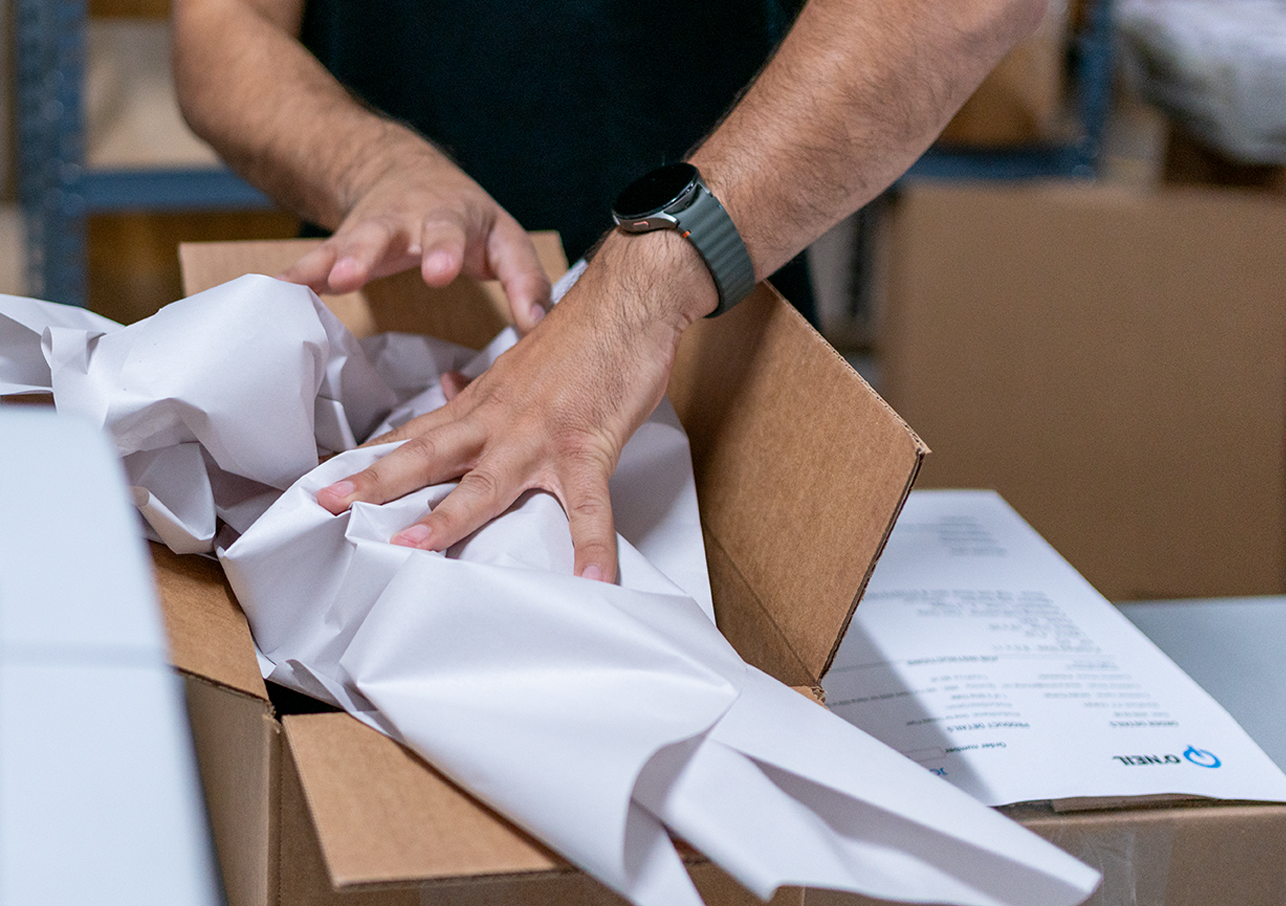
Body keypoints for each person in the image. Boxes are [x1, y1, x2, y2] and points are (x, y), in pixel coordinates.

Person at [173, 0, 1045, 583]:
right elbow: (221, 31)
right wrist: (372, 162)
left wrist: (644, 287)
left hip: (720, 361)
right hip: (392, 321)